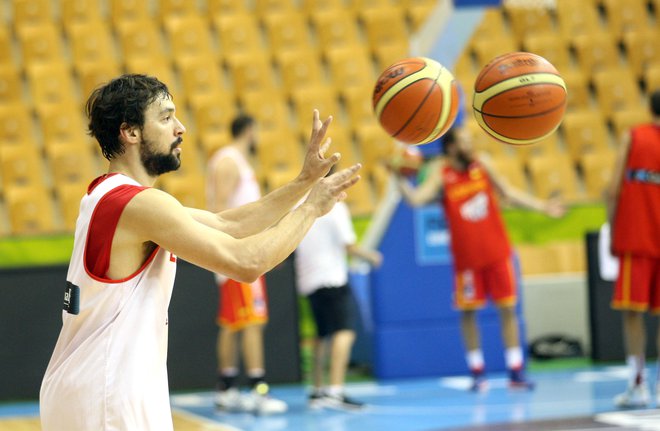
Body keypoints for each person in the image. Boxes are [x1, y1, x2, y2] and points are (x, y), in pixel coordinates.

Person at [39, 74, 361, 431]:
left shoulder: (109, 194)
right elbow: (246, 262)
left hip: (90, 389)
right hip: (107, 395)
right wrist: (310, 209)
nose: (181, 128)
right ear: (130, 132)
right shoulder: (139, 205)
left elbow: (229, 225)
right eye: (165, 117)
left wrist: (304, 183)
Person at [394, 127, 564, 391]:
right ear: (451, 147)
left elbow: (508, 191)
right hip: (467, 261)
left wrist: (543, 206)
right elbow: (416, 200)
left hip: (498, 253)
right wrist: (399, 179)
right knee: (468, 313)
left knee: (507, 310)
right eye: (465, 142)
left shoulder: (483, 163)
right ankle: (477, 371)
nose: (471, 145)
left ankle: (515, 371)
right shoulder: (442, 173)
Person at [205, 114, 286, 413]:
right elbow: (219, 210)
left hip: (240, 252)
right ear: (250, 131)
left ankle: (225, 390)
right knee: (251, 322)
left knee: (233, 322)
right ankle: (258, 392)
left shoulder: (234, 160)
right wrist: (241, 251)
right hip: (237, 254)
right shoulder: (229, 161)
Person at [294, 190, 382, 411]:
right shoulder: (335, 207)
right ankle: (335, 390)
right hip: (332, 278)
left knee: (321, 334)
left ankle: (317, 391)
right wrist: (371, 256)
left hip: (308, 280)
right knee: (344, 331)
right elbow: (349, 246)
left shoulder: (300, 206)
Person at [606, 89, 660, 408]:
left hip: (636, 238)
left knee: (632, 315)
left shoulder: (633, 137)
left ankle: (638, 385)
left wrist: (612, 231)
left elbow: (612, 190)